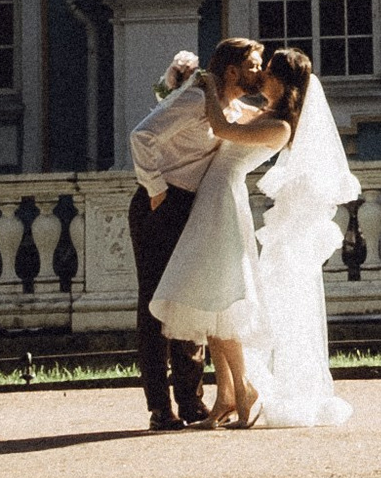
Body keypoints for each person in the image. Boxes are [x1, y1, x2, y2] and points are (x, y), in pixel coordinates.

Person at [126, 39, 283, 431]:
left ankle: (192, 401)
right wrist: (156, 188)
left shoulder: (229, 107)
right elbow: (141, 136)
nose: (259, 71)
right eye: (253, 64)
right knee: (155, 305)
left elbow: (269, 119)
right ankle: (160, 407)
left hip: (195, 208)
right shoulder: (196, 100)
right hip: (160, 204)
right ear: (231, 71)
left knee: (188, 300)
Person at [236, 45, 361, 432]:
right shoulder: (280, 118)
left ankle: (285, 391)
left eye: (268, 72)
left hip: (289, 240)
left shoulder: (283, 125)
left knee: (283, 310)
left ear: (283, 82)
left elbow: (232, 130)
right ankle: (277, 389)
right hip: (286, 237)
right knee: (285, 309)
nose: (262, 79)